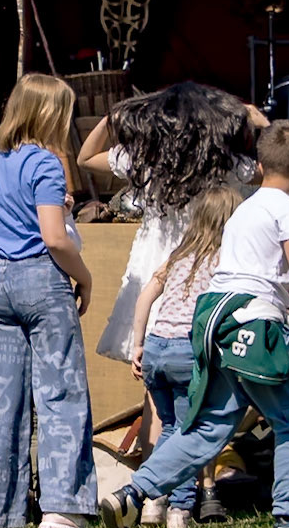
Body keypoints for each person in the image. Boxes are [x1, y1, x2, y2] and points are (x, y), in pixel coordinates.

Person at [100, 120, 289, 528]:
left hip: (214, 316)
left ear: (259, 164)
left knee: (208, 428)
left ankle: (131, 494)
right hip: (251, 321)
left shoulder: (245, 207)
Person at [0, 73, 97, 528]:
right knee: (60, 392)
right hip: (41, 278)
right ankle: (63, 506)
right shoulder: (46, 165)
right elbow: (54, 238)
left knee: (5, 401)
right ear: (50, 115)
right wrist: (83, 277)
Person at [79, 82, 263, 368]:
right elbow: (280, 167)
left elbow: (86, 158)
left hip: (155, 260)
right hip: (208, 258)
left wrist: (111, 117)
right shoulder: (224, 160)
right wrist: (260, 123)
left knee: (154, 365)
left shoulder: (144, 158)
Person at [127, 185, 242, 528]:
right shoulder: (225, 259)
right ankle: (179, 508)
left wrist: (137, 343)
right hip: (187, 352)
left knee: (170, 427)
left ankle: (152, 502)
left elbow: (147, 295)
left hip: (157, 349)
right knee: (186, 432)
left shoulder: (179, 254)